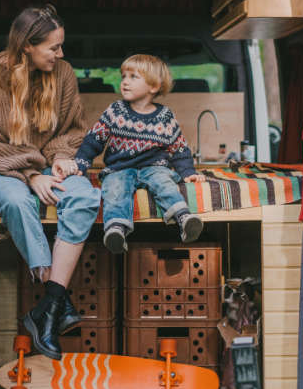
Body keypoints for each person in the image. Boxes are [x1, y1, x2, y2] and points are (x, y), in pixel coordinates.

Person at [0, 5, 101, 361]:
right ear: (26, 45)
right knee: (19, 201)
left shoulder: (64, 73)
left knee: (85, 197)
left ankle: (50, 305)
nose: (61, 54)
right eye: (54, 47)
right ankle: (55, 306)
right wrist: (31, 175)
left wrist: (58, 161)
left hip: (46, 164)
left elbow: (72, 128)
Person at [74, 54, 206, 254]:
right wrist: (80, 165)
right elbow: (93, 141)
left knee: (165, 183)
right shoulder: (115, 111)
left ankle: (183, 217)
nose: (125, 81)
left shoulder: (165, 116)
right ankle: (116, 229)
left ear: (153, 86)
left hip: (155, 168)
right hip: (119, 168)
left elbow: (179, 148)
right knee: (114, 188)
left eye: (133, 77)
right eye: (123, 76)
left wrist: (187, 171)